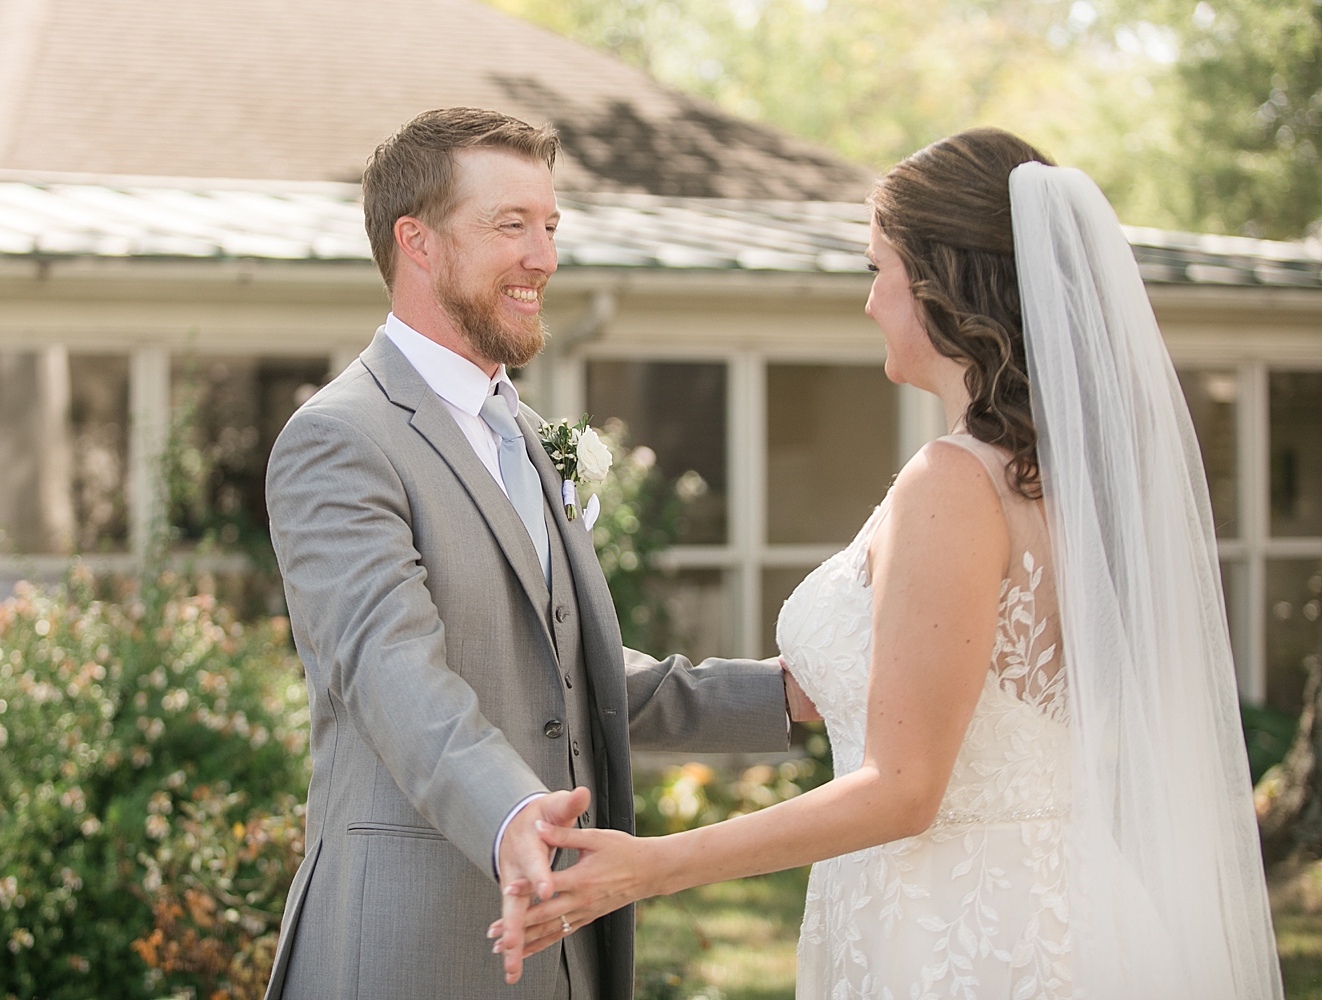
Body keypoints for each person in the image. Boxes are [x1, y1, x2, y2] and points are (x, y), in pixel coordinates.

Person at [496, 128, 1282, 999]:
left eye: (879, 270)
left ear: (943, 286)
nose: (869, 301)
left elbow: (904, 788)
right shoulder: (1063, 479)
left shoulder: (954, 484)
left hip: (964, 932)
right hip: (1049, 896)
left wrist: (650, 866)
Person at [262, 107, 812, 1000]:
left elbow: (565, 679)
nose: (544, 258)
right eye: (511, 225)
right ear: (420, 243)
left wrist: (779, 696)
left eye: (550, 227)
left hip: (567, 955)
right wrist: (511, 809)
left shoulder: (521, 431)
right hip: (413, 948)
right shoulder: (341, 438)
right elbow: (388, 666)